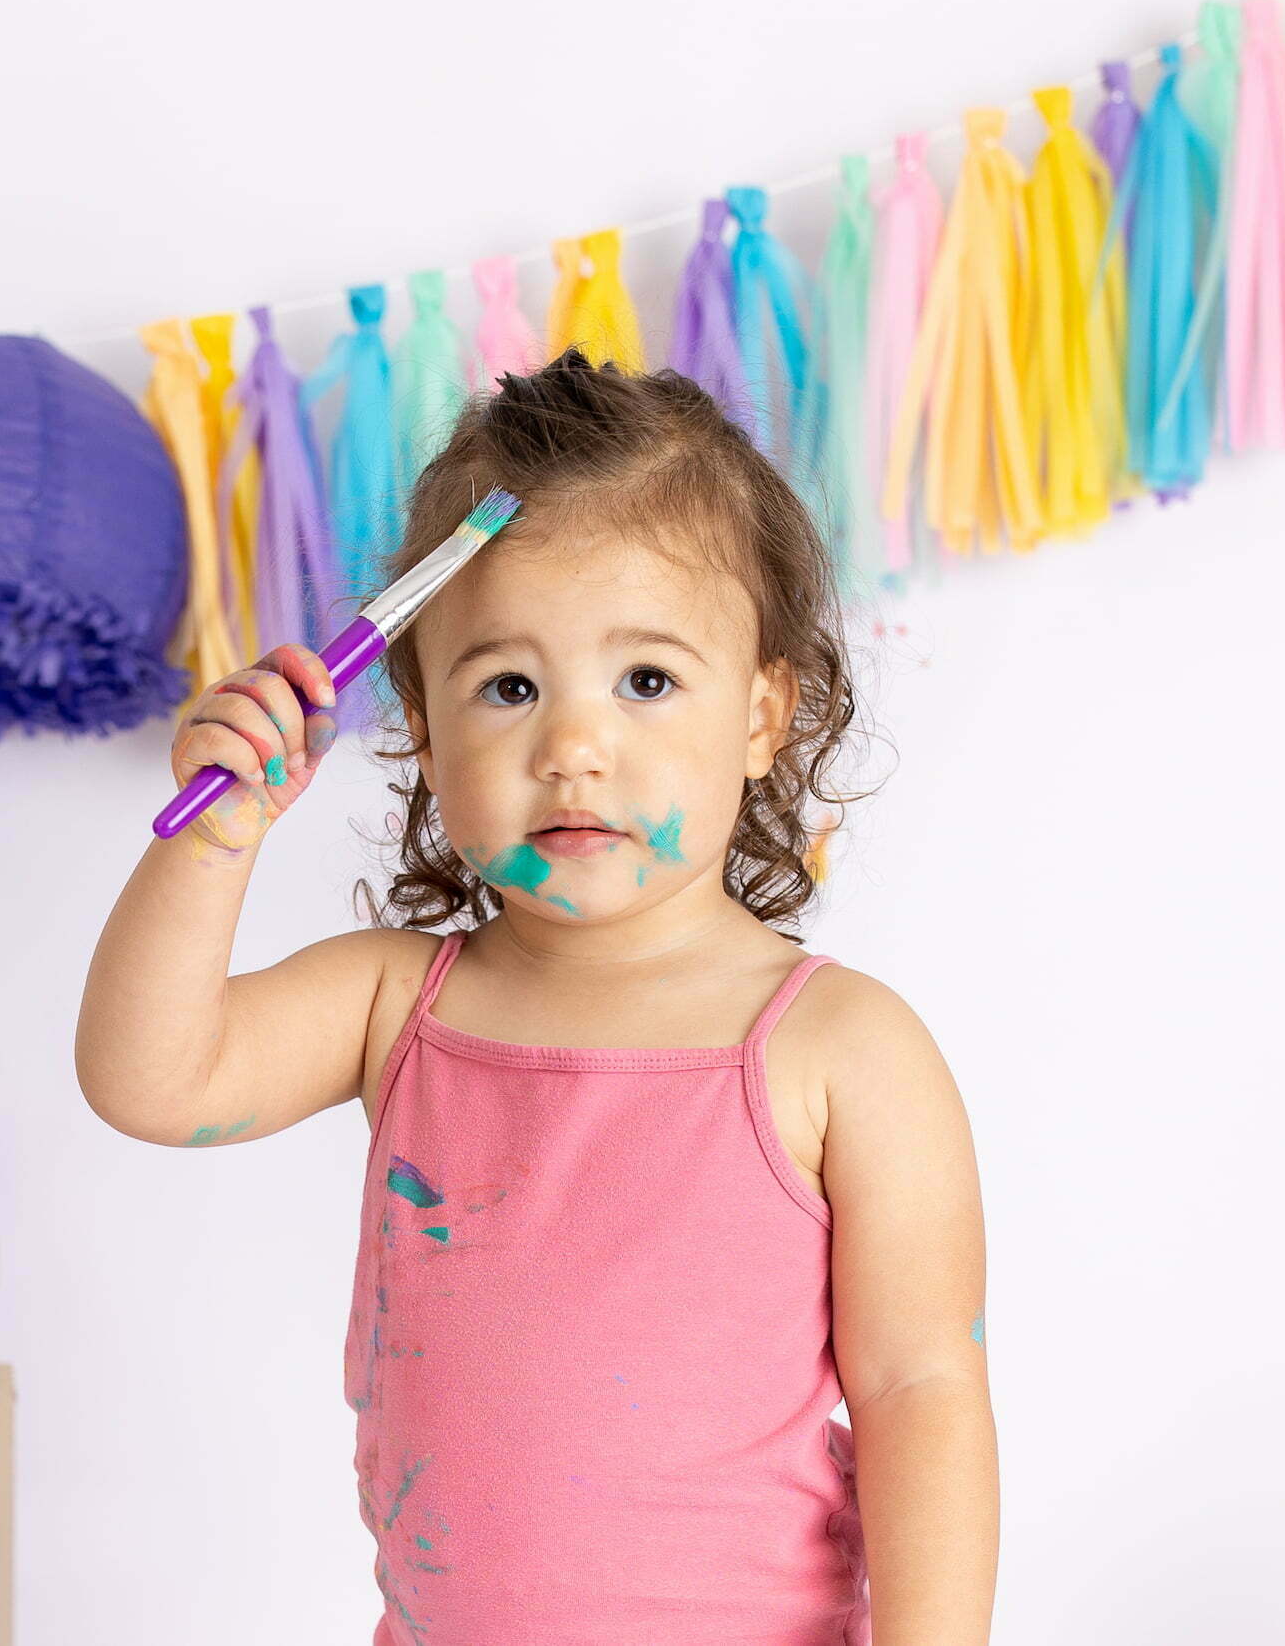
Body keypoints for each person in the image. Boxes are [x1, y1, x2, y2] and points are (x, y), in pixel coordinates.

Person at [78, 350, 997, 1643]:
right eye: (508, 686)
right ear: (422, 726)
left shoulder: (843, 1049)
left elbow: (921, 1391)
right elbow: (152, 1080)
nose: (572, 747)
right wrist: (215, 840)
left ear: (762, 715)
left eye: (646, 681)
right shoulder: (397, 1005)